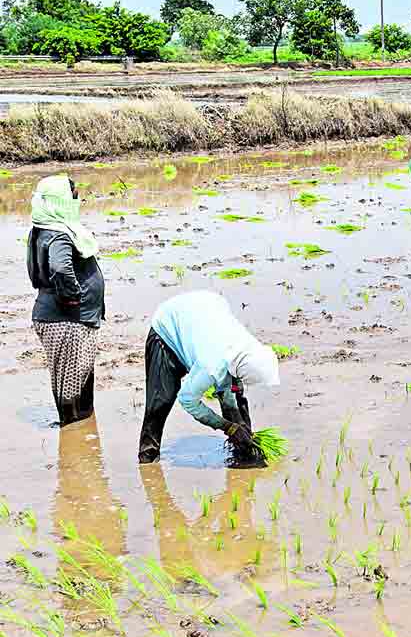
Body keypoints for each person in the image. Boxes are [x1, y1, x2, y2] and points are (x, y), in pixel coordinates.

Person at [138, 291, 280, 467]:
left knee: (236, 392)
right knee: (161, 401)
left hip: (205, 312)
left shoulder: (247, 348)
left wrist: (237, 422)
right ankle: (148, 460)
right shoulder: (211, 365)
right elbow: (187, 400)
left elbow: (229, 387)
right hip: (168, 328)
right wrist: (227, 427)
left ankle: (244, 449)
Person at [27, 175, 104, 426]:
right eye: (73, 196)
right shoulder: (59, 234)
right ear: (60, 201)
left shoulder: (43, 228)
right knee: (70, 385)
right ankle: (71, 433)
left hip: (68, 318)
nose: (76, 201)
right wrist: (72, 297)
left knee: (79, 376)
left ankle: (84, 431)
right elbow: (60, 268)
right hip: (65, 318)